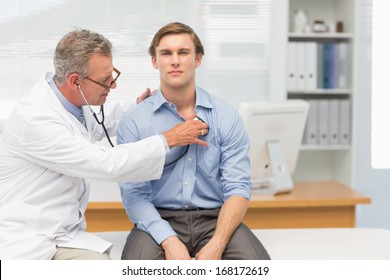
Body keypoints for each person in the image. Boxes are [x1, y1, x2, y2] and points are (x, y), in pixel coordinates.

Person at [0, 28, 208, 260]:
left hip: (62, 232)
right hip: (28, 239)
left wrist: (138, 107)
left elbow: (99, 121)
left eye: (113, 75)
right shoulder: (36, 119)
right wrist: (169, 139)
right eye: (105, 81)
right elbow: (105, 163)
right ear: (75, 81)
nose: (113, 85)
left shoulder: (70, 102)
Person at [117, 22, 270, 260]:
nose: (175, 60)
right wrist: (169, 241)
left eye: (183, 52)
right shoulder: (134, 122)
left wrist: (217, 244)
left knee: (258, 267)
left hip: (215, 220)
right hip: (158, 219)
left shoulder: (226, 117)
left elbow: (238, 188)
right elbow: (134, 195)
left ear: (197, 60)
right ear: (155, 61)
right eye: (166, 53)